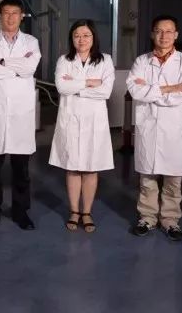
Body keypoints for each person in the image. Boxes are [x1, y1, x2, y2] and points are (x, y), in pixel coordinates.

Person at [126, 15, 182, 241]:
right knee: (147, 179)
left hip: (174, 130)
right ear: (152, 34)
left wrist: (152, 90)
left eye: (168, 31)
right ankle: (147, 218)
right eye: (159, 31)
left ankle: (170, 220)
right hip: (148, 126)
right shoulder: (141, 61)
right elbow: (135, 91)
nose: (163, 36)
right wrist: (169, 88)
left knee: (173, 180)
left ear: (176, 34)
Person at [0, 0, 41, 231]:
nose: (10, 17)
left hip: (20, 113)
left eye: (15, 13)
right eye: (6, 13)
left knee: (21, 170)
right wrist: (15, 67)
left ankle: (21, 212)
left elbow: (30, 68)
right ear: (0, 16)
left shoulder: (31, 41)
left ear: (22, 16)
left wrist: (2, 63)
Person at [49, 19, 115, 233]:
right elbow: (61, 87)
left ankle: (86, 212)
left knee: (90, 167)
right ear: (72, 39)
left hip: (95, 121)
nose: (81, 39)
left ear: (94, 37)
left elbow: (106, 91)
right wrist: (89, 82)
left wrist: (75, 86)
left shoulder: (105, 60)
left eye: (86, 35)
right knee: (73, 167)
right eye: (77, 35)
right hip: (71, 118)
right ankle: (74, 211)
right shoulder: (64, 60)